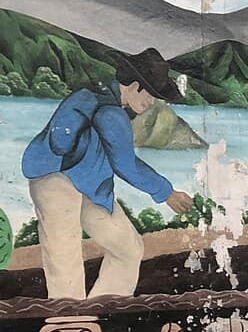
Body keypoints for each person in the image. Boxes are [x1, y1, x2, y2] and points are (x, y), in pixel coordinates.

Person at [21, 48, 194, 300]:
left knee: (128, 248)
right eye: (150, 94)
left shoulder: (101, 99)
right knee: (64, 256)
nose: (152, 102)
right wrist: (167, 193)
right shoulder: (109, 111)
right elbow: (126, 165)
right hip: (53, 179)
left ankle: (102, 308)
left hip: (88, 185)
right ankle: (67, 321)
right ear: (134, 86)